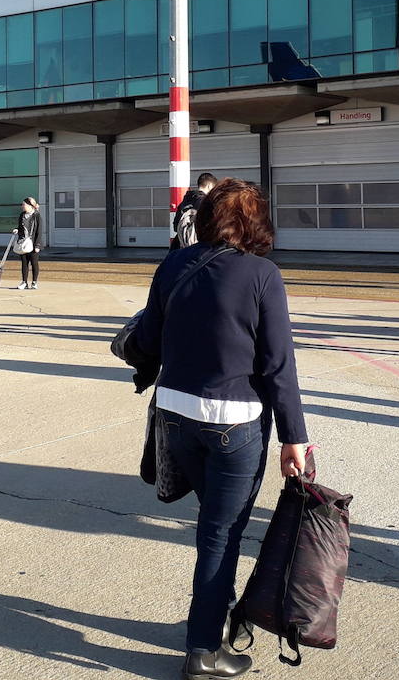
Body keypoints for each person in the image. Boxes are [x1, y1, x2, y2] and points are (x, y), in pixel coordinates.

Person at [133, 178, 309, 680]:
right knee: (220, 536)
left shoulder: (173, 264)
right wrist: (293, 437)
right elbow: (278, 365)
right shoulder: (261, 275)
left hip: (175, 417)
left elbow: (148, 337)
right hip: (233, 423)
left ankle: (216, 618)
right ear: (255, 223)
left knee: (212, 530)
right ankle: (203, 650)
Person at [172, 172, 218, 249]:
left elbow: (176, 225)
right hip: (199, 246)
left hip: (181, 245)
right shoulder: (206, 203)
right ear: (209, 186)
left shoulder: (185, 201)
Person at [12, 196, 43, 290]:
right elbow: (20, 227)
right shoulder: (22, 215)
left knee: (34, 263)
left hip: (33, 243)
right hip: (23, 242)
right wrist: (17, 230)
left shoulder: (37, 215)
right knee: (24, 263)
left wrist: (37, 245)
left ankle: (34, 282)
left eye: (24, 204)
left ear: (30, 205)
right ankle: (24, 282)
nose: (22, 206)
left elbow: (39, 231)